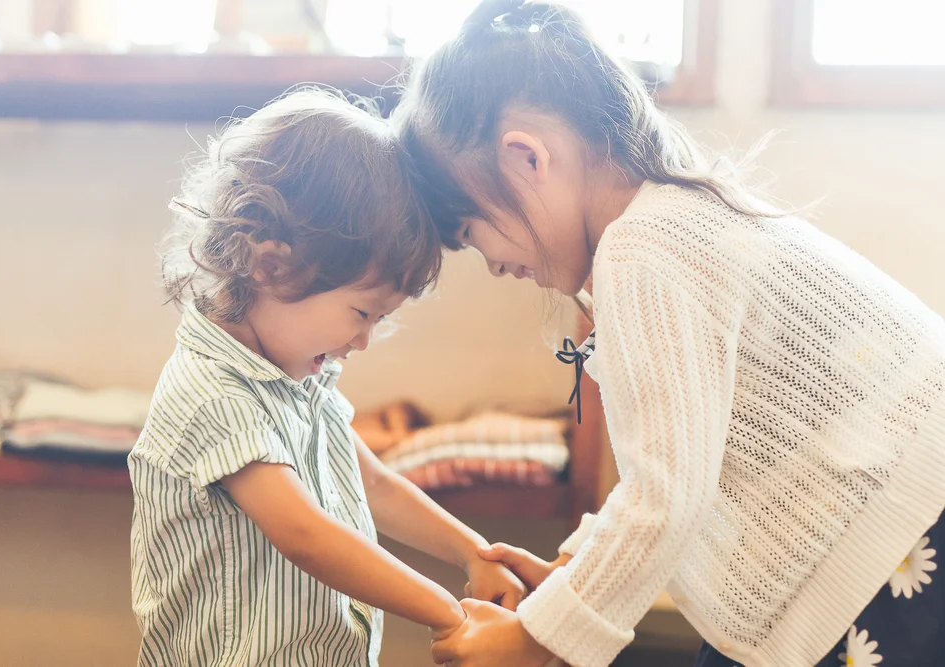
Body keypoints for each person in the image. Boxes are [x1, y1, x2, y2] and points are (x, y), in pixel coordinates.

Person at [393, 2, 945, 665]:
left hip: (904, 535)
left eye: (472, 234)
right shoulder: (672, 221)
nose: (496, 266)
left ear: (526, 158)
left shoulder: (641, 250)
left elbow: (664, 497)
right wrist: (575, 571)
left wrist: (536, 641)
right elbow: (684, 467)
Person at [128, 89, 525, 666]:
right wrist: (452, 614)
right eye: (362, 313)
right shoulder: (210, 394)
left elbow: (374, 484)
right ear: (269, 265)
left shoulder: (300, 376)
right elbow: (306, 535)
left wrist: (473, 553)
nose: (361, 341)